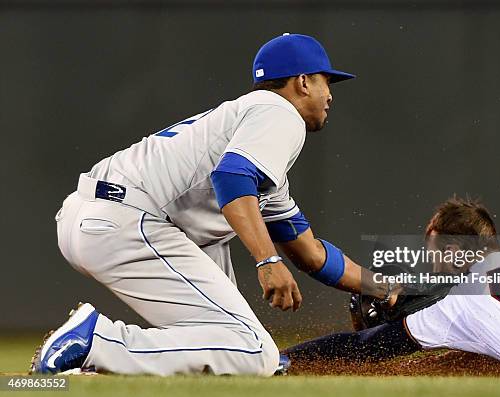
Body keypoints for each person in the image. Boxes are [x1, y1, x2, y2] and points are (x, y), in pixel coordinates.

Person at [31, 33, 397, 377]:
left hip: (100, 214)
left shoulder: (252, 132)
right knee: (252, 350)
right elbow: (231, 178)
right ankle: (96, 341)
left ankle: (105, 362)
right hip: (129, 219)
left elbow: (311, 254)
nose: (329, 95)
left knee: (240, 346)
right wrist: (267, 261)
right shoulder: (278, 112)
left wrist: (377, 285)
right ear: (302, 81)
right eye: (325, 81)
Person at [285, 197, 500, 374]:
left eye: (434, 252)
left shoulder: (459, 302)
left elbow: (364, 347)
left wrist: (282, 360)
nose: (432, 264)